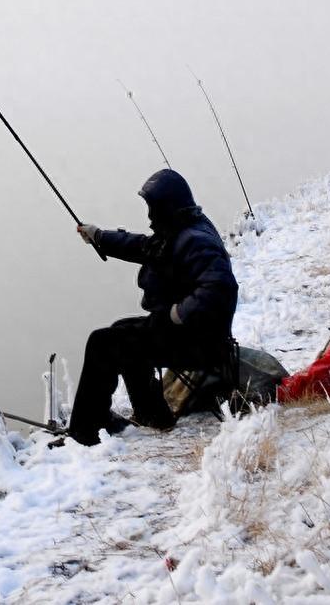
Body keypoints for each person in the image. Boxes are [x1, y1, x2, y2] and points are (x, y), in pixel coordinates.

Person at [65, 169, 238, 446]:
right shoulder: (180, 228)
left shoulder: (195, 240)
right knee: (121, 331)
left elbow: (220, 288)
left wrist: (177, 314)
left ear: (167, 206)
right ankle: (152, 414)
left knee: (103, 342)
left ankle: (83, 433)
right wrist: (100, 237)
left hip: (199, 343)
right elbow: (144, 247)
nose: (149, 216)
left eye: (153, 208)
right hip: (193, 335)